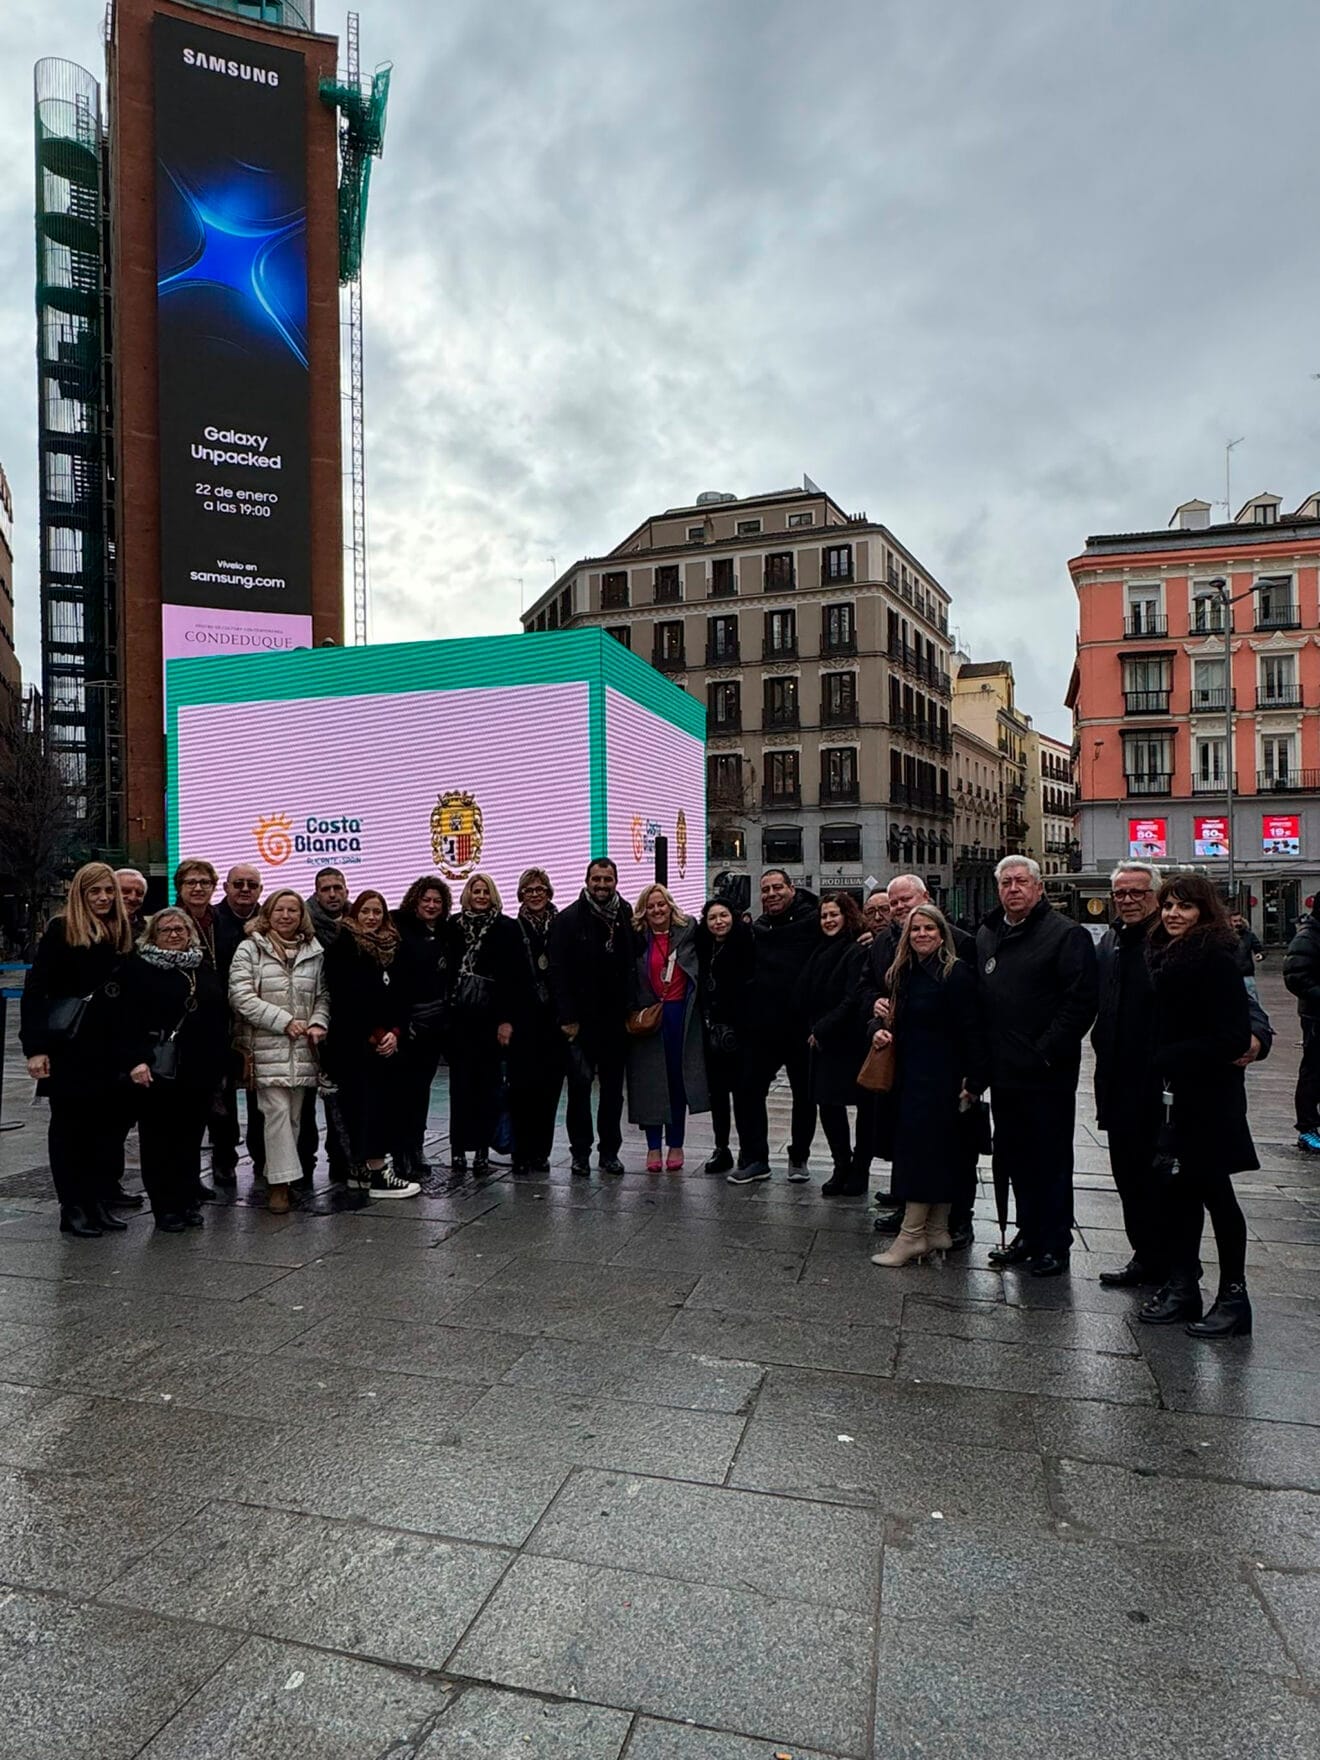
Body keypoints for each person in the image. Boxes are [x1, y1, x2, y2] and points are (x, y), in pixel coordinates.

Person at [1139, 874, 1258, 1337]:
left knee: (1216, 1195)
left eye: (1184, 906)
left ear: (1203, 912)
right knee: (1181, 1194)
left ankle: (1234, 1297)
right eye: (1168, 905)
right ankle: (1183, 1285)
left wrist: (1170, 1055)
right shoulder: (1164, 953)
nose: (1173, 914)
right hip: (1178, 1097)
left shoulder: (1215, 959)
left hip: (1210, 1097)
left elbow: (1233, 1035)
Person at [978, 856, 1098, 1277]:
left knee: (1050, 1159)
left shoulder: (1066, 934)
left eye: (1021, 882)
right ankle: (1027, 1233)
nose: (1013, 889)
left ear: (1039, 887)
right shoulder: (989, 932)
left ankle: (1054, 1243)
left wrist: (1044, 1051)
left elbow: (1080, 1003)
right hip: (1004, 1071)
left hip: (1047, 1072)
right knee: (1014, 1157)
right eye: (1006, 883)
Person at [20, 863, 136, 1237]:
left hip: (110, 1048)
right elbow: (36, 991)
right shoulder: (62, 930)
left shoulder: (120, 931)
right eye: (94, 891)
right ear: (80, 894)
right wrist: (35, 1048)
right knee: (70, 1131)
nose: (103, 898)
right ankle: (72, 1206)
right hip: (70, 1047)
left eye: (108, 891)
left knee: (104, 1131)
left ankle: (95, 1201)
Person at [865, 874, 978, 1244]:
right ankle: (911, 1210)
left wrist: (973, 1075)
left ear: (926, 897)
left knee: (951, 1148)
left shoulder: (961, 945)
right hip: (904, 1064)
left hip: (944, 1070)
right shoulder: (883, 943)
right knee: (909, 1143)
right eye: (894, 902)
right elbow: (868, 986)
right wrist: (875, 1008)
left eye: (906, 900)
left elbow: (971, 1016)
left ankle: (955, 1219)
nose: (899, 908)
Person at [121, 907, 229, 1232]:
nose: (173, 935)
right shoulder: (139, 969)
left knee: (189, 1139)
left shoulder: (201, 967)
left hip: (198, 1067)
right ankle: (165, 1207)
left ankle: (186, 1200)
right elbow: (126, 1019)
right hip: (157, 1067)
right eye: (165, 930)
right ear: (153, 935)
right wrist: (136, 1060)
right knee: (158, 1140)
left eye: (180, 929)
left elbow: (218, 1015)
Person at [228, 889, 329, 1214]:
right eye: (279, 910)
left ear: (302, 916)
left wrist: (318, 1022)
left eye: (292, 911)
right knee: (277, 1113)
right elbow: (241, 996)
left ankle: (282, 1177)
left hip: (303, 1049)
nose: (286, 916)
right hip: (264, 1046)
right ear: (268, 914)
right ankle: (279, 1188)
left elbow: (323, 995)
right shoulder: (250, 948)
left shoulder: (313, 950)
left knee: (295, 1118)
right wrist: (284, 1021)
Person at [322, 890, 420, 1199]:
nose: (371, 917)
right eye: (365, 911)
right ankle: (376, 1173)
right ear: (355, 913)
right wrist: (376, 1033)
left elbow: (404, 995)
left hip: (388, 1045)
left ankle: (364, 1171)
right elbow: (345, 998)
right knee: (364, 1108)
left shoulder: (394, 947)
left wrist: (396, 1032)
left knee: (384, 1107)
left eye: (377, 912)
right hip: (356, 1045)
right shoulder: (343, 946)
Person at [731, 869, 821, 1184]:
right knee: (747, 1089)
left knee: (805, 1095)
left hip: (802, 1027)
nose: (771, 894)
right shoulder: (759, 928)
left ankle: (799, 1156)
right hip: (763, 1027)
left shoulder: (814, 922)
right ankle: (756, 1158)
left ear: (791, 888)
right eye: (766, 889)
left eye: (777, 887)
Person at [549, 858, 636, 1175]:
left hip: (615, 1021)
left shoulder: (626, 914)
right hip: (581, 1023)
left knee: (613, 1093)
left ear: (615, 881)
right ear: (587, 881)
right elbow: (558, 972)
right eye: (596, 879)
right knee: (579, 1090)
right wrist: (567, 1017)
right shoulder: (568, 919)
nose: (602, 885)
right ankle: (580, 1153)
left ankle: (610, 1152)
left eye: (607, 879)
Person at [791, 892, 870, 1194]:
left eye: (834, 914)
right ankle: (841, 1165)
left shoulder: (856, 949)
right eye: (824, 915)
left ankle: (858, 1170)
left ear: (847, 915)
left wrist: (823, 1028)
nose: (828, 920)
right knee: (828, 1105)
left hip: (847, 1040)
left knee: (860, 1107)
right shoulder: (819, 949)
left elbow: (853, 996)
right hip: (823, 1041)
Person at [446, 872, 523, 1176]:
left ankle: (481, 1149)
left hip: (491, 1021)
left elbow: (515, 978)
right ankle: (457, 1149)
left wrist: (507, 1020)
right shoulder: (453, 926)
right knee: (459, 1088)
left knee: (487, 1088)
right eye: (475, 891)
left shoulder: (507, 928)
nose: (480, 896)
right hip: (458, 1021)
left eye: (485, 891)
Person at [626, 883, 707, 1171]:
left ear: (670, 906)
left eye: (661, 904)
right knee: (651, 1083)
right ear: (643, 911)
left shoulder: (689, 931)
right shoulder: (637, 938)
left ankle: (676, 1143)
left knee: (676, 1082)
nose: (657, 910)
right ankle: (652, 1147)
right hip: (649, 1016)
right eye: (651, 906)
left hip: (679, 1015)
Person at [392, 874, 454, 1177]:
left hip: (435, 1025)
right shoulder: (399, 928)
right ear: (414, 901)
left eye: (437, 901)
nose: (431, 905)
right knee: (402, 1092)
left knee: (421, 1090)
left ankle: (416, 1147)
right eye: (426, 900)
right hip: (407, 1025)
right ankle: (401, 1153)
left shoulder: (446, 933)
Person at [208, 863, 265, 1189]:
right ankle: (224, 1158)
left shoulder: (270, 919)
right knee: (222, 1095)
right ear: (226, 887)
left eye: (251, 885)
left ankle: (262, 1156)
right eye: (238, 883)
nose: (245, 889)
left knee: (261, 1092)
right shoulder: (212, 921)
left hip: (259, 1018)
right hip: (221, 1019)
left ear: (260, 889)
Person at [508, 868, 564, 1174]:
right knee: (521, 1091)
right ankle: (521, 1153)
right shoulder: (511, 928)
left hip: (554, 1021)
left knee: (549, 1091)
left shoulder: (562, 925)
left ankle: (541, 1152)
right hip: (523, 1022)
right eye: (529, 890)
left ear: (549, 892)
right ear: (521, 895)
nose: (534, 894)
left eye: (540, 889)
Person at [695, 897, 757, 1175]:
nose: (718, 922)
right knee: (718, 1096)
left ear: (733, 916)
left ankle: (747, 1149)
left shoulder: (747, 942)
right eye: (712, 918)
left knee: (743, 1095)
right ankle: (721, 1148)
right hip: (712, 1033)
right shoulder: (703, 945)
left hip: (741, 1032)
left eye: (723, 916)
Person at [301, 867, 352, 1187]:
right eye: (326, 889)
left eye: (337, 888)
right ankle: (303, 1163)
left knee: (343, 1096)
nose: (332, 894)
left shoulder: (357, 921)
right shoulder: (303, 924)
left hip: (345, 1023)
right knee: (304, 1100)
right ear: (316, 893)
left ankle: (342, 1158)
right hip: (308, 1021)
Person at [1284, 900, 1320, 1152]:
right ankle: (1307, 1128)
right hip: (1317, 1017)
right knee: (1314, 1072)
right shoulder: (1308, 937)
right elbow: (1295, 976)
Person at [174, 858, 219, 966]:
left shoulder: (222, 920)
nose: (198, 888)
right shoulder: (168, 921)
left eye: (205, 882)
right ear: (179, 888)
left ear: (213, 887)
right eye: (191, 883)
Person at [115, 869, 148, 939]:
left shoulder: (149, 931)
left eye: (139, 893)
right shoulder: (94, 928)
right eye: (125, 891)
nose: (132, 898)